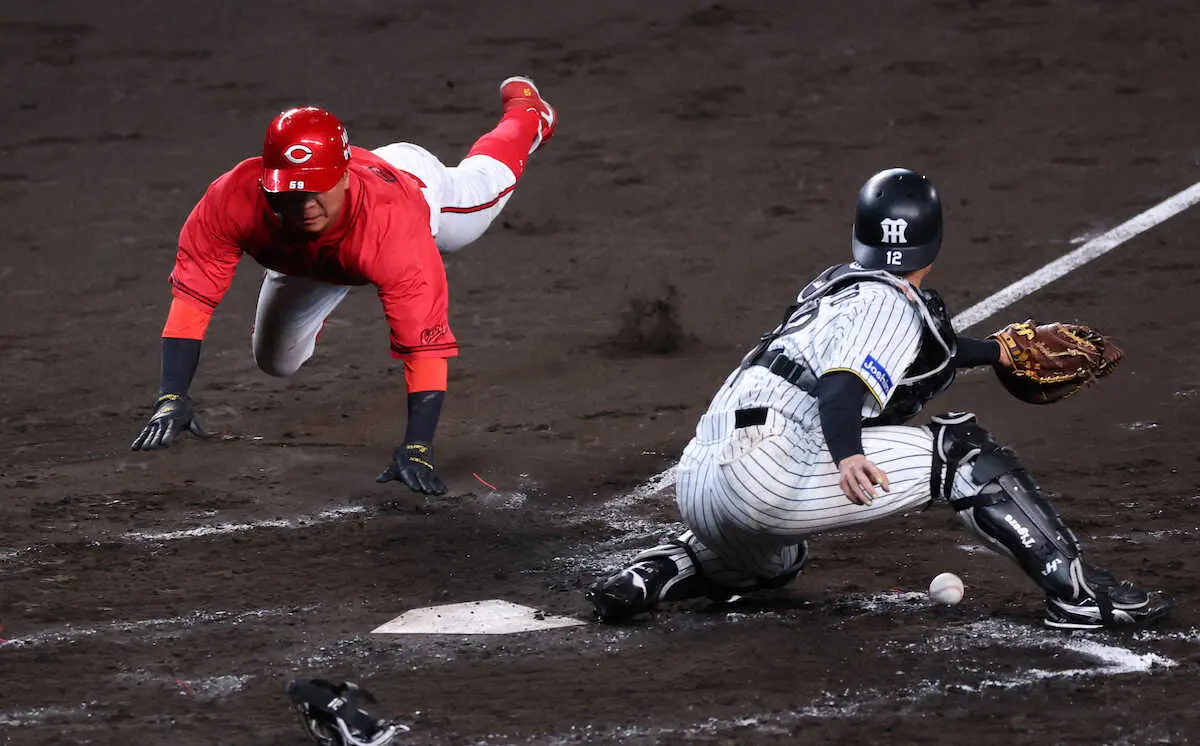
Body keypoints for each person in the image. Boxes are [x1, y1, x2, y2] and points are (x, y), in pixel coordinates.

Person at [586, 168, 1174, 631]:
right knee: (961, 450)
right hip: (770, 472)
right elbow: (843, 387)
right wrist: (846, 453)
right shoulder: (891, 303)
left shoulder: (835, 290)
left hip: (698, 482)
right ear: (934, 241)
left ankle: (658, 570)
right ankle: (1079, 597)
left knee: (778, 560)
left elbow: (925, 353)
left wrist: (993, 352)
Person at [129, 77, 558, 496]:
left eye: (317, 190)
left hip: (415, 191)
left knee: (485, 183)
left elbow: (423, 346)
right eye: (291, 193)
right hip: (311, 259)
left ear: (346, 176)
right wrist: (171, 395)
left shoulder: (395, 229)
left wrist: (418, 445)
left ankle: (528, 115)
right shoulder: (232, 198)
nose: (305, 206)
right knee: (275, 363)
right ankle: (323, 278)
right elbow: (193, 297)